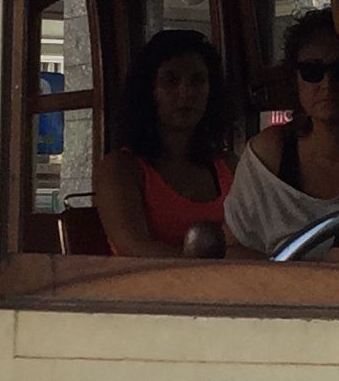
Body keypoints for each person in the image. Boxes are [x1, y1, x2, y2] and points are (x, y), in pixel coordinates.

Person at [225, 9, 339, 258]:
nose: (327, 84)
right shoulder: (268, 157)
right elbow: (234, 247)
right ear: (294, 78)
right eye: (312, 71)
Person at [96, 27, 235, 255]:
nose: (186, 92)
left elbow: (254, 239)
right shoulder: (120, 168)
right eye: (171, 81)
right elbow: (135, 248)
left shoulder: (230, 166)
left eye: (198, 80)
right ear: (148, 91)